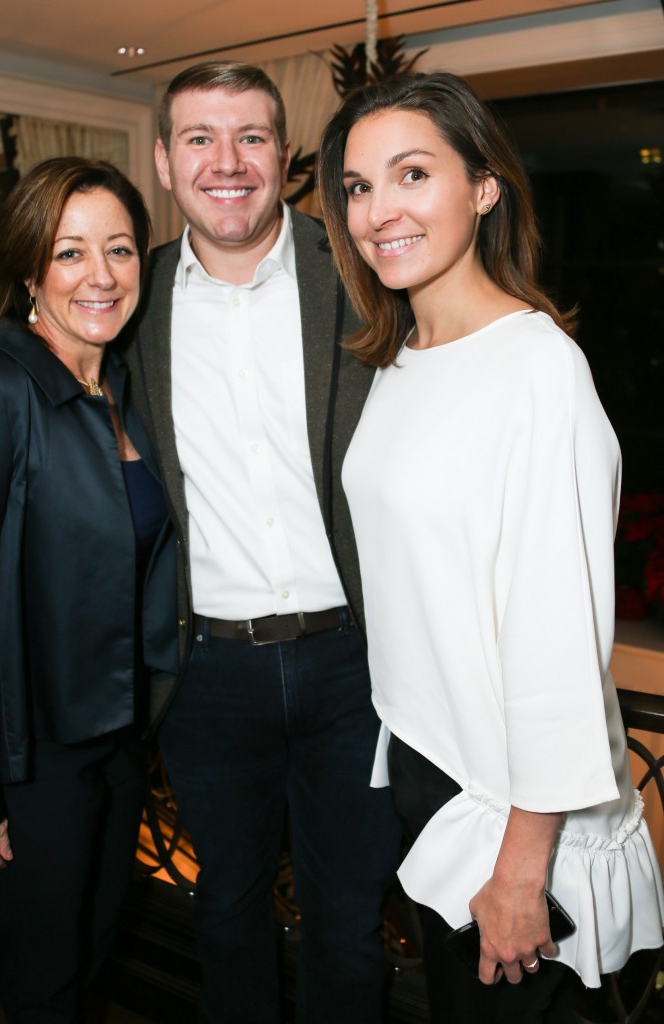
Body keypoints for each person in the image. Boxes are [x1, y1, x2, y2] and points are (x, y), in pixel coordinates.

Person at [316, 71, 664, 1023]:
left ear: (484, 187)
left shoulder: (538, 369)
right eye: (356, 187)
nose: (378, 209)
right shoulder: (398, 359)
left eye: (411, 173)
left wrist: (522, 867)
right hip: (431, 771)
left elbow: (557, 638)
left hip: (513, 807)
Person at [124, 61, 402, 1024]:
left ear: (284, 157)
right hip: (207, 675)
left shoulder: (364, 271)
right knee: (228, 919)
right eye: (200, 138)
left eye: (251, 137)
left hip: (355, 667)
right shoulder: (127, 299)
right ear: (165, 161)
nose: (227, 161)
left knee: (348, 928)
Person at [0, 156, 177, 1023]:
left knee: (87, 957)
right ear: (26, 272)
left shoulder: (117, 389)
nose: (101, 275)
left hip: (116, 745)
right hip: (29, 759)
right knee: (45, 982)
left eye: (121, 250)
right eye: (70, 252)